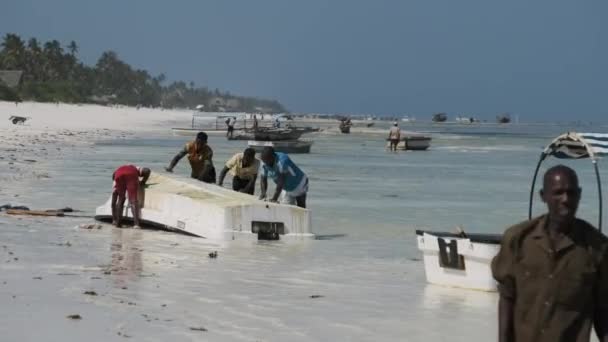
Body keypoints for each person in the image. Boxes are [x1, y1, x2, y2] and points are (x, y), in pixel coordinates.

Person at [491, 165, 608, 342]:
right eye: (558, 193)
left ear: (579, 194)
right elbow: (507, 298)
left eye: (571, 193)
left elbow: (603, 309)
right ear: (543, 196)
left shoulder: (597, 247)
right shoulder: (518, 239)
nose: (565, 199)